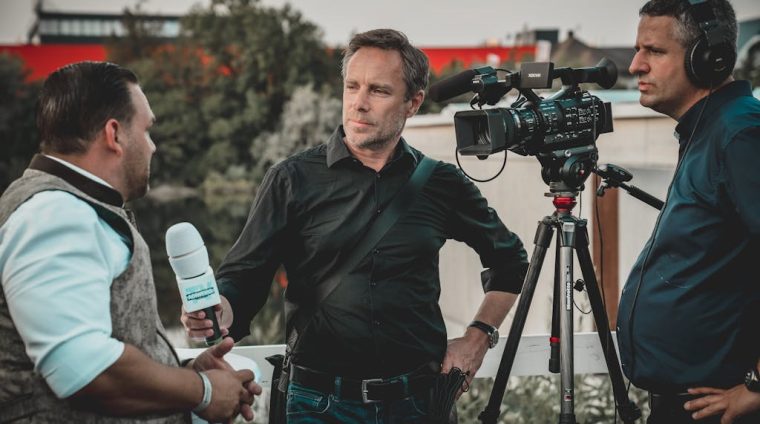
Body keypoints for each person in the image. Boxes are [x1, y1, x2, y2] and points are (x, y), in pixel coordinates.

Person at [181, 29, 528, 422]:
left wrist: (478, 336)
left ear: (412, 103)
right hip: (317, 404)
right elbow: (244, 277)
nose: (359, 104)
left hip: (418, 403)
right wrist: (218, 310)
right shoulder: (292, 178)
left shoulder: (441, 183)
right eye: (352, 87)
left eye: (378, 91)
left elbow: (511, 261)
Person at [0, 61, 262, 423]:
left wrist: (184, 372)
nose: (152, 147)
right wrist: (202, 392)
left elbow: (102, 346)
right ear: (114, 135)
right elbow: (85, 368)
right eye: (146, 130)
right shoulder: (55, 213)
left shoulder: (75, 208)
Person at [616, 1, 760, 423]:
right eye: (637, 50)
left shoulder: (741, 134)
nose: (636, 65)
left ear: (708, 59)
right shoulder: (711, 129)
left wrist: (756, 387)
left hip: (720, 407)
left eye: (654, 51)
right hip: (690, 402)